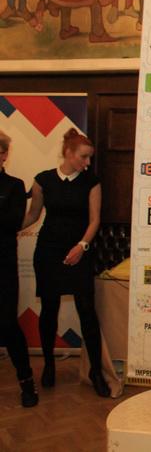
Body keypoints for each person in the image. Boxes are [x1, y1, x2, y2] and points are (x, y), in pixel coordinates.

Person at [22, 128, 110, 398]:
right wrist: (7, 227)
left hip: (79, 250)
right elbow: (33, 215)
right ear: (68, 153)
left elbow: (94, 220)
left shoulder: (92, 182)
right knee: (49, 309)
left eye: (90, 157)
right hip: (48, 252)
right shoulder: (43, 180)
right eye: (83, 157)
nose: (87, 162)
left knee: (87, 311)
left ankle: (96, 372)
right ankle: (49, 365)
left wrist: (82, 246)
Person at [0, 130, 39, 407]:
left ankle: (27, 382)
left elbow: (12, 222)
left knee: (7, 324)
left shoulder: (14, 186)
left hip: (3, 266)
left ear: (4, 155)